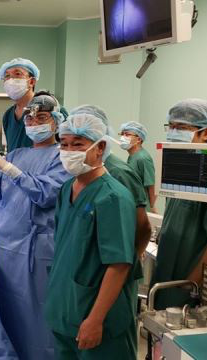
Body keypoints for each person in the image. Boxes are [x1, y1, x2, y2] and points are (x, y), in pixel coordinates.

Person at [0, 92, 69, 360]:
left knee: (39, 320)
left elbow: (45, 194)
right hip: (8, 249)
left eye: (41, 117)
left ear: (56, 122)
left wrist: (10, 170)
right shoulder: (17, 154)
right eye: (30, 118)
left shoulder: (63, 157)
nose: (34, 123)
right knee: (11, 313)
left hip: (39, 250)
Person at [45, 113, 138, 360]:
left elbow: (119, 264)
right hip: (66, 309)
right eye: (63, 144)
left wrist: (95, 320)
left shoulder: (112, 197)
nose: (68, 151)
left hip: (97, 318)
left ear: (101, 148)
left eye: (77, 144)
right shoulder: (67, 189)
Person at [151, 99, 207, 310]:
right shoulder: (181, 171)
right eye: (171, 126)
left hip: (186, 293)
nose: (173, 132)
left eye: (181, 128)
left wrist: (188, 287)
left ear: (206, 133)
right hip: (166, 283)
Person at [71, 105, 151, 259]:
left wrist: (130, 263)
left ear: (101, 142)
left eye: (79, 142)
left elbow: (142, 227)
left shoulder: (119, 173)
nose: (71, 149)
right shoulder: (79, 172)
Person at [0, 58, 40, 152]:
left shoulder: (49, 109)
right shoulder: (8, 115)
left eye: (17, 74)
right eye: (7, 76)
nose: (10, 80)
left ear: (32, 82)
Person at [119, 121, 157, 213]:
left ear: (139, 139)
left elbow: (151, 186)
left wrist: (151, 208)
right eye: (122, 134)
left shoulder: (143, 158)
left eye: (127, 134)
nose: (123, 137)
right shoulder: (133, 156)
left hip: (142, 207)